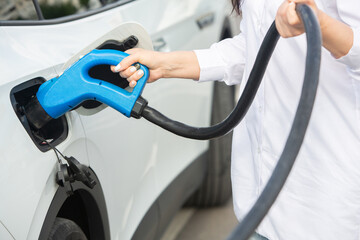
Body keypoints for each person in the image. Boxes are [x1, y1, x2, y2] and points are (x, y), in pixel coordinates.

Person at [111, 0, 360, 239]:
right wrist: (166, 65)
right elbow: (252, 45)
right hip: (259, 203)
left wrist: (318, 23)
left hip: (324, 198)